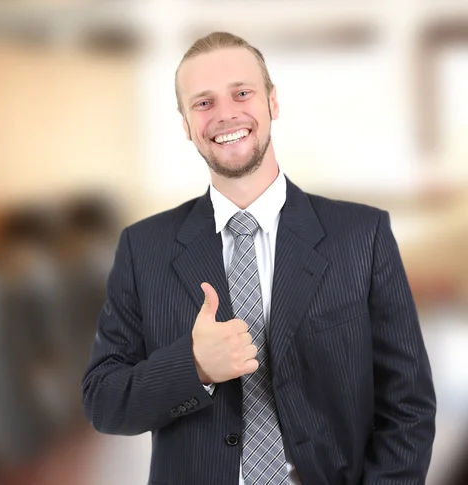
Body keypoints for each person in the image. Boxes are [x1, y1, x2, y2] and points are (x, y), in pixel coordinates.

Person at [81, 31, 436, 485]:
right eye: (203, 103)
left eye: (242, 93)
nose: (225, 114)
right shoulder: (143, 248)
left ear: (272, 102)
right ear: (186, 124)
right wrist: (193, 367)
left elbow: (408, 404)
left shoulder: (362, 236)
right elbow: (104, 401)